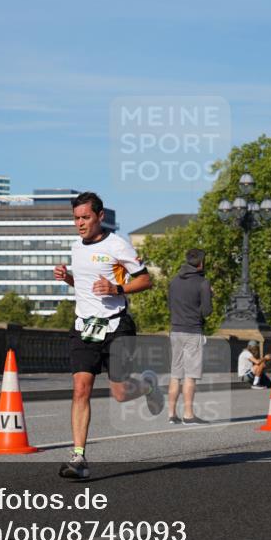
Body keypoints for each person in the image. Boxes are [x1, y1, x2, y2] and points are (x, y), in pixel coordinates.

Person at [52, 192, 163, 479]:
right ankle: (79, 457)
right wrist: (69, 279)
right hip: (84, 327)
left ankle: (148, 385)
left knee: (119, 393)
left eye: (85, 217)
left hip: (116, 327)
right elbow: (86, 285)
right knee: (80, 389)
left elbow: (145, 280)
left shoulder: (117, 245)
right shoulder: (76, 247)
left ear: (100, 217)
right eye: (76, 218)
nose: (80, 223)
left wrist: (117, 289)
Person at [166, 248, 213, 425]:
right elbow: (207, 311)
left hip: (175, 330)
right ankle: (188, 414)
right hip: (192, 331)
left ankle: (171, 414)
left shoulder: (174, 281)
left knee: (175, 374)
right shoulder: (203, 282)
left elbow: (170, 306)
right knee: (190, 375)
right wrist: (209, 295)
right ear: (201, 263)